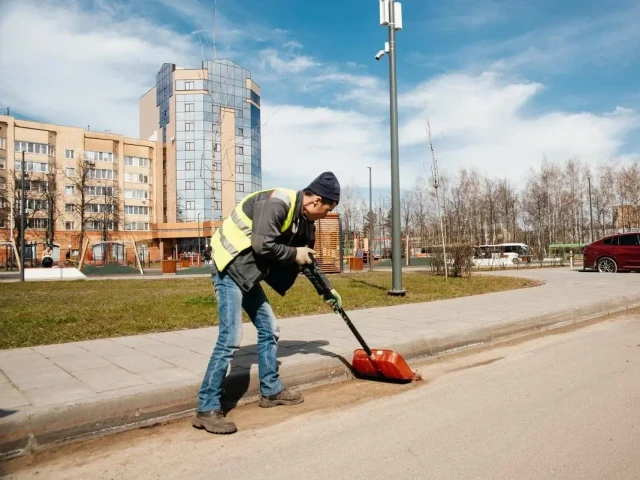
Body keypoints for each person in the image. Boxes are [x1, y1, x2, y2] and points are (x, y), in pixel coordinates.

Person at [193, 172, 343, 435]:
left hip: (248, 274)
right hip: (228, 267)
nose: (325, 216)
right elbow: (263, 246)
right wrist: (294, 253)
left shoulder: (306, 221)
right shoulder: (278, 203)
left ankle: (271, 391)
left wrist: (328, 291)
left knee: (269, 328)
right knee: (230, 337)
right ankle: (206, 408)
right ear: (316, 201)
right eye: (327, 210)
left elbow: (307, 260)